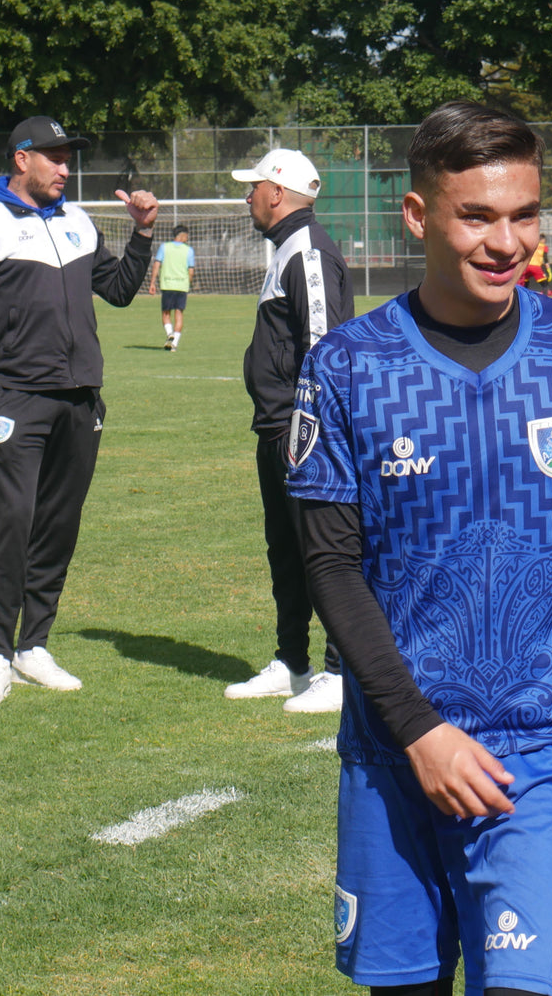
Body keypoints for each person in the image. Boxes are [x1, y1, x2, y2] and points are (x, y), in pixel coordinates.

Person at [286, 99, 552, 996]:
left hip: (540, 749)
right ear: (419, 216)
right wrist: (418, 731)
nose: (507, 242)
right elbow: (329, 564)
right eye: (477, 216)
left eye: (524, 215)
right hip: (394, 754)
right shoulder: (345, 366)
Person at [0, 114, 159, 705]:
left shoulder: (78, 221)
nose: (67, 167)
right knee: (11, 522)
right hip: (17, 401)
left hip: (80, 400)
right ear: (22, 159)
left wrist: (141, 234)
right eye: (56, 156)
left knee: (59, 525)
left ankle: (33, 645)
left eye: (70, 157)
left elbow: (116, 290)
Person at [224, 148, 355, 713]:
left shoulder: (306, 251)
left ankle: (340, 668)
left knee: (322, 549)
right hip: (277, 428)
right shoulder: (286, 251)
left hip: (304, 434)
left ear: (276, 192)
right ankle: (293, 662)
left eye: (253, 186)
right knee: (286, 549)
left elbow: (325, 350)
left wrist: (312, 436)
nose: (247, 196)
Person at [148, 225, 195, 350]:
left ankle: (170, 335)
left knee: (166, 313)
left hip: (167, 285)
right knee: (179, 314)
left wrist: (152, 283)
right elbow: (191, 271)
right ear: (182, 235)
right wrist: (187, 283)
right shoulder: (189, 250)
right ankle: (174, 343)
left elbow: (157, 265)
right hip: (182, 286)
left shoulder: (164, 247)